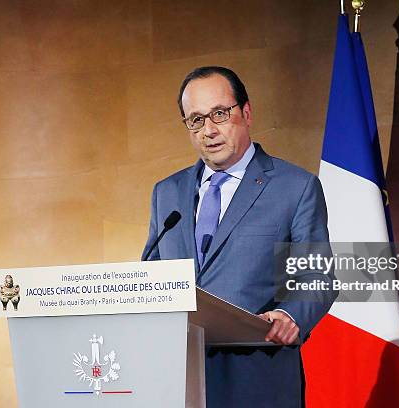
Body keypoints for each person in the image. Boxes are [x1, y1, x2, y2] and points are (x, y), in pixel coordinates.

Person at [142, 66, 336, 407]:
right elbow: (152, 274)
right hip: (178, 377)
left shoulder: (295, 187)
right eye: (196, 120)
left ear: (246, 113)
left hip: (258, 373)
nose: (209, 130)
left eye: (219, 114)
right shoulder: (167, 193)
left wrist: (291, 317)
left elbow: (318, 276)